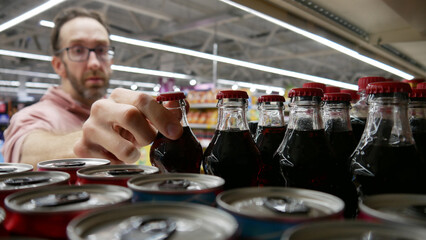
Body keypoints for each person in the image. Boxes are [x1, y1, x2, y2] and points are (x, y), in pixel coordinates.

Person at [1, 7, 183, 166]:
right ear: (58, 65)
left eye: (101, 49)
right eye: (78, 50)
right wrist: (84, 143)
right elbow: (24, 151)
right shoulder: (29, 117)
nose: (94, 62)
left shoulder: (122, 114)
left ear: (111, 61)